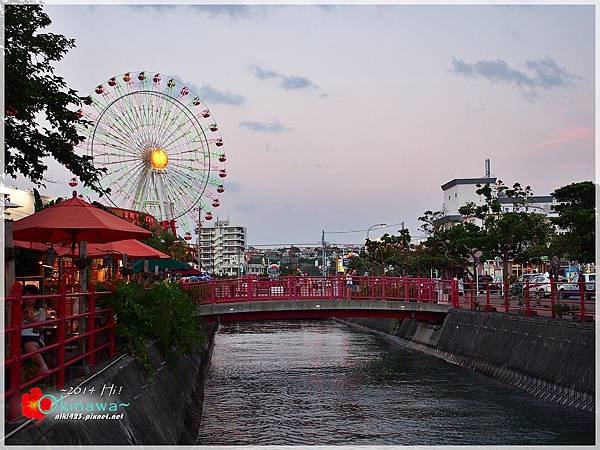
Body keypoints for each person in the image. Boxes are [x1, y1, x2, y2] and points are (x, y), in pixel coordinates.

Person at [21, 284, 50, 374]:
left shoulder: (41, 311)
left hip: (35, 337)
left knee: (29, 346)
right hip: (19, 337)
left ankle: (43, 366)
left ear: (37, 297)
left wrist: (30, 319)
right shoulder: (18, 310)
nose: (30, 299)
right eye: (27, 296)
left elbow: (40, 327)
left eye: (32, 296)